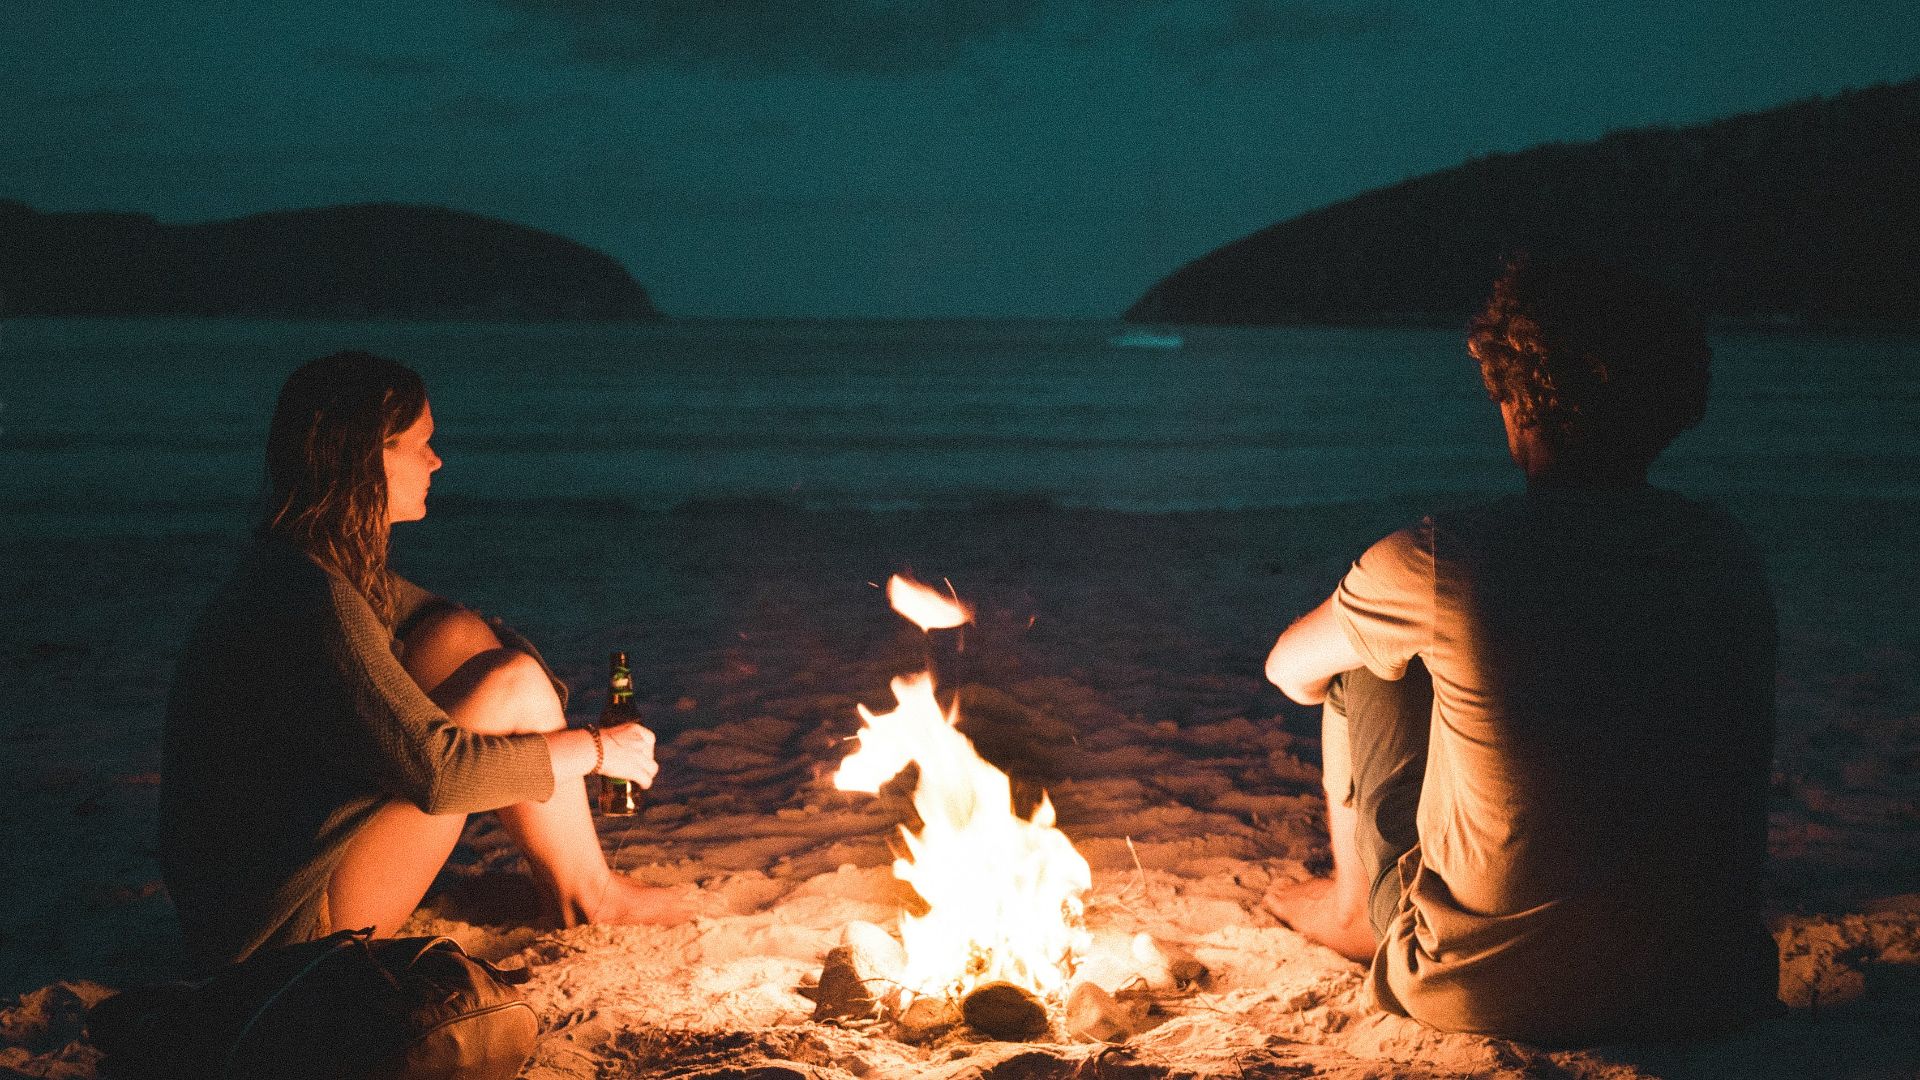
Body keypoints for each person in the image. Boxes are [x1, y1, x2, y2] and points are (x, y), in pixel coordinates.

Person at [1261, 258, 1778, 1044]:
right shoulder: (1726, 552)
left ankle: (1350, 907)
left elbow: (1287, 672)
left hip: (1484, 988)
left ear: (1512, 405)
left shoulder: (1444, 559)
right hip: (1708, 983)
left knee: (1362, 661)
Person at [160, 351, 687, 970]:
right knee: (511, 685)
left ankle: (582, 884)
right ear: (366, 457)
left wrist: (539, 703)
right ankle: (590, 896)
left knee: (457, 636)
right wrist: (600, 750)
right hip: (285, 934)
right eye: (420, 444)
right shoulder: (311, 596)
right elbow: (443, 777)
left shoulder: (305, 565)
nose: (436, 461)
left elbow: (486, 640)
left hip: (252, 898)